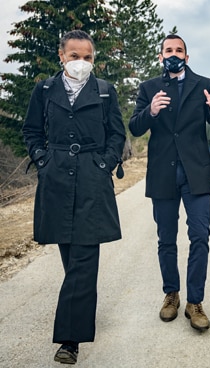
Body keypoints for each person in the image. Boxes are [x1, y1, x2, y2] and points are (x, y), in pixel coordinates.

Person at [21, 30, 125, 364]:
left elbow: (117, 133)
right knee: (70, 254)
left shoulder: (105, 91)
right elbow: (32, 130)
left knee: (83, 258)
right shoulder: (46, 89)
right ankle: (82, 312)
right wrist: (42, 159)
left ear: (94, 59)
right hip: (56, 178)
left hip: (93, 178)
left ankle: (69, 340)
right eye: (75, 56)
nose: (81, 62)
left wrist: (105, 164)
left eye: (88, 57)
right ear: (61, 56)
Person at [129, 34, 210, 332]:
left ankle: (195, 302)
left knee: (200, 236)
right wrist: (151, 111)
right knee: (166, 239)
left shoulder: (203, 83)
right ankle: (171, 294)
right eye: (168, 50)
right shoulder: (149, 88)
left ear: (187, 55)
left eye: (179, 50)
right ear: (161, 56)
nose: (174, 54)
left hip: (195, 172)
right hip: (163, 173)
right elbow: (135, 127)